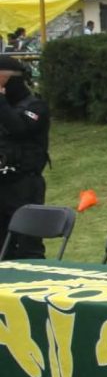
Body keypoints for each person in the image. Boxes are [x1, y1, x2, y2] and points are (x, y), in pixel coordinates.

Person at [0, 56, 51, 260]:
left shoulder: (35, 107)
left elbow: (19, 129)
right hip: (2, 184)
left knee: (28, 247)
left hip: (25, 185)